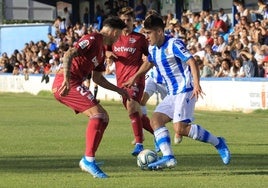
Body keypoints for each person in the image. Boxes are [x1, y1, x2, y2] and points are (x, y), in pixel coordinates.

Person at [124, 14, 231, 170]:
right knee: (156, 120)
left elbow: (191, 61)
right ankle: (168, 157)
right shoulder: (153, 48)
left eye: (148, 33)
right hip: (173, 93)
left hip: (185, 90)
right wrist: (135, 76)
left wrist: (196, 84)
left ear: (159, 32)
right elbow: (149, 63)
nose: (146, 36)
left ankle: (219, 143)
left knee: (180, 128)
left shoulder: (174, 44)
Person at [52, 16, 129, 179]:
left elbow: (98, 79)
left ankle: (89, 157)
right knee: (98, 115)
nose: (118, 39)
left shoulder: (102, 51)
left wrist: (119, 90)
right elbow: (68, 54)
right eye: (119, 35)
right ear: (114, 32)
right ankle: (88, 160)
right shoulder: (93, 39)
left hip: (74, 82)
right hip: (66, 82)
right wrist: (66, 79)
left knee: (104, 117)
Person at [105, 7, 153, 156]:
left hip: (136, 79)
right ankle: (159, 133)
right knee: (136, 114)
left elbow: (151, 57)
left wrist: (146, 61)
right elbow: (104, 50)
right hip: (121, 81)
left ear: (133, 22)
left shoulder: (140, 39)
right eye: (123, 20)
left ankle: (139, 143)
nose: (126, 23)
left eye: (129, 20)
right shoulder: (114, 38)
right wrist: (108, 54)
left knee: (132, 106)